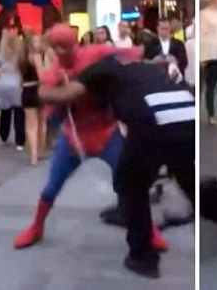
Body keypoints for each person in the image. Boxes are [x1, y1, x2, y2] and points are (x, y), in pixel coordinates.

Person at [36, 53, 194, 279]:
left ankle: (143, 258)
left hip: (153, 123)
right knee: (186, 176)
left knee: (131, 184)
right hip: (187, 115)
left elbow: (64, 95)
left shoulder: (98, 69)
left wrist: (41, 90)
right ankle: (216, 205)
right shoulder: (144, 66)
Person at [12, 24, 167, 252]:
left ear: (75, 43)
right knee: (51, 188)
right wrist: (64, 94)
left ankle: (149, 230)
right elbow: (45, 92)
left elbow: (128, 55)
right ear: (53, 48)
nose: (66, 52)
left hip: (106, 132)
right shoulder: (55, 71)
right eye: (60, 47)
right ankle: (36, 227)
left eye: (69, 46)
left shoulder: (96, 53)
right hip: (74, 138)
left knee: (131, 183)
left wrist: (151, 60)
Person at [0, 29, 25, 151]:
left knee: (5, 113)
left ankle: (4, 135)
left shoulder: (1, 55)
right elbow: (23, 69)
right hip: (17, 85)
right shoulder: (20, 55)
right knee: (19, 114)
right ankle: (20, 141)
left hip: (2, 85)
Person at [20, 34, 47, 166]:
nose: (38, 44)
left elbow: (20, 79)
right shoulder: (36, 57)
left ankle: (33, 156)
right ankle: (40, 151)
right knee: (41, 122)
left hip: (26, 90)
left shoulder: (21, 59)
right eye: (36, 41)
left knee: (31, 125)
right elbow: (42, 77)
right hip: (37, 90)